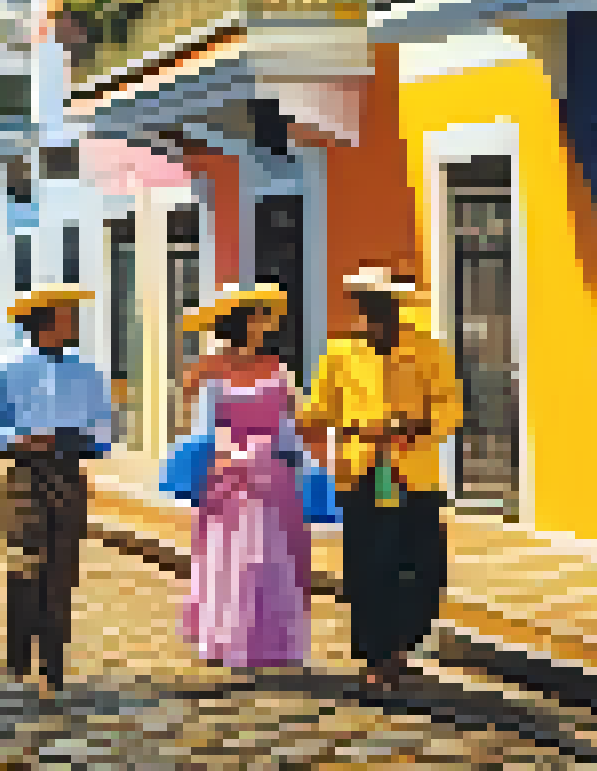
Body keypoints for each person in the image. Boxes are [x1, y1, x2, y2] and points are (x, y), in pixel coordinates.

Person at [297, 266, 464, 693]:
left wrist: (419, 425)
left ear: (397, 309)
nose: (374, 317)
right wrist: (337, 443)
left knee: (422, 566)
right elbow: (316, 414)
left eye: (383, 307)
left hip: (413, 474)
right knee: (369, 566)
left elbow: (451, 407)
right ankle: (375, 655)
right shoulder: (339, 354)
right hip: (365, 474)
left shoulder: (428, 350)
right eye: (367, 307)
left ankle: (401, 646)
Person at [0, 285, 111, 693]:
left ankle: (53, 662)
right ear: (45, 321)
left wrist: (81, 441)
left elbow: (106, 426)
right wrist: (17, 439)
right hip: (24, 478)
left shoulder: (87, 372)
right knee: (24, 567)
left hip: (68, 475)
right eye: (67, 314)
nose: (74, 321)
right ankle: (18, 658)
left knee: (61, 572)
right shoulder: (8, 369)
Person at [177, 284, 310, 669]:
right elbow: (195, 423)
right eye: (258, 317)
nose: (265, 325)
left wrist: (292, 458)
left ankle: (270, 642)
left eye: (265, 318)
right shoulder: (208, 368)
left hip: (273, 474)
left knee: (270, 558)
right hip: (229, 475)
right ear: (240, 323)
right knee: (231, 557)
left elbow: (290, 422)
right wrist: (230, 457)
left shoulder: (277, 367)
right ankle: (226, 638)